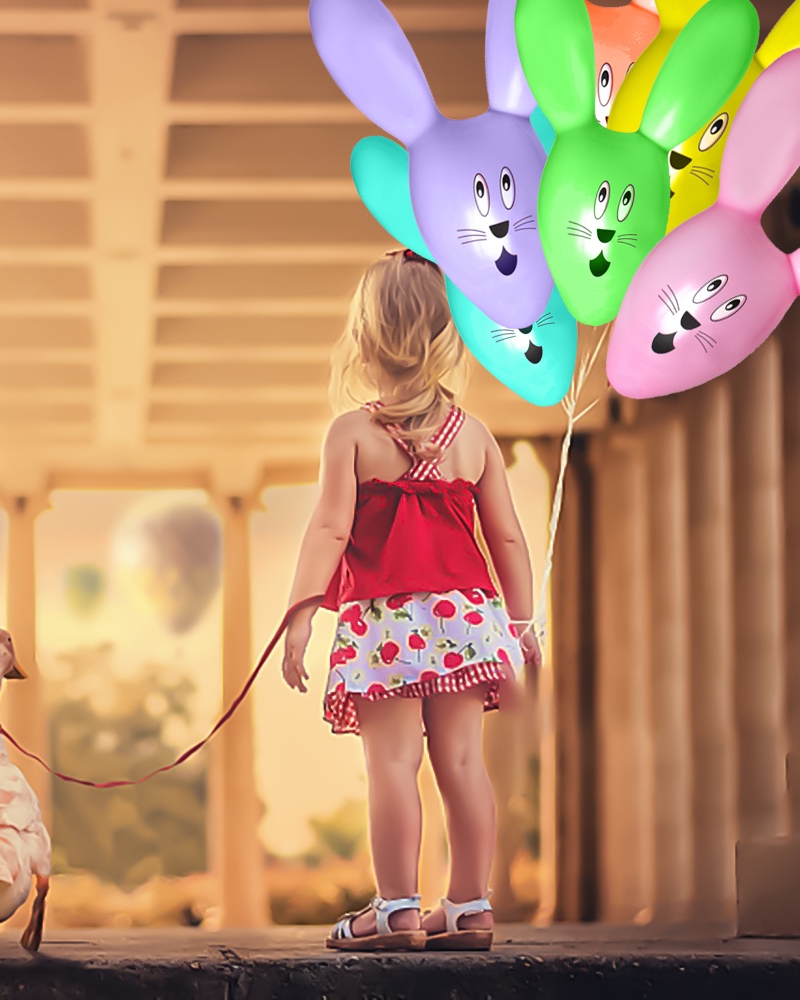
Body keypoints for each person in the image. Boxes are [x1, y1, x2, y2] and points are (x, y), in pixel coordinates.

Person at [281, 249, 541, 952]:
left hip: (386, 624)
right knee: (461, 763)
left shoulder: (352, 435)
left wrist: (301, 614)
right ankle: (470, 906)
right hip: (466, 620)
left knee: (392, 764)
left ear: (364, 342)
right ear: (447, 340)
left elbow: (330, 528)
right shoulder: (475, 439)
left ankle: (396, 909)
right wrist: (520, 625)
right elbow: (509, 540)